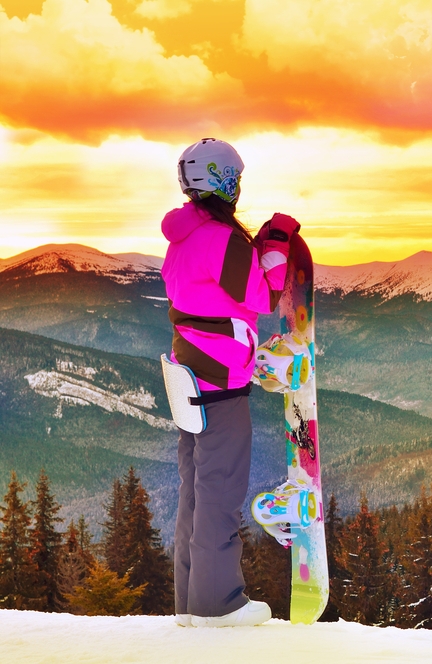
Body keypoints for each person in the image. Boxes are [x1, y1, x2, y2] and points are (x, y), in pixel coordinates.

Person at [161, 138, 300, 627]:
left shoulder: (182, 237)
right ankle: (218, 605)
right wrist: (277, 240)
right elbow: (263, 296)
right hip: (220, 385)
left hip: (190, 379)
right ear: (225, 181)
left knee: (195, 493)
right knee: (218, 493)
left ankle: (190, 606)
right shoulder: (220, 238)